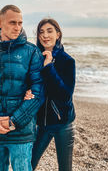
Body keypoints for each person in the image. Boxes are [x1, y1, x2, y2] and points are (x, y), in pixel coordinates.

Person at [0, 5, 45, 171]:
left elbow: (38, 92)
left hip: (20, 132)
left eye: (20, 23)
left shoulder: (31, 52)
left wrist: (13, 121)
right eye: (12, 22)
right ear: (0, 22)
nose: (17, 27)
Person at [25, 18, 76, 171]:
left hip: (63, 124)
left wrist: (49, 68)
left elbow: (65, 96)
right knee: (28, 165)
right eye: (41, 32)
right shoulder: (35, 59)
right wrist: (27, 91)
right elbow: (30, 83)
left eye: (49, 31)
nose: (45, 35)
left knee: (65, 168)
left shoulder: (67, 61)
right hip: (42, 124)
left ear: (58, 34)